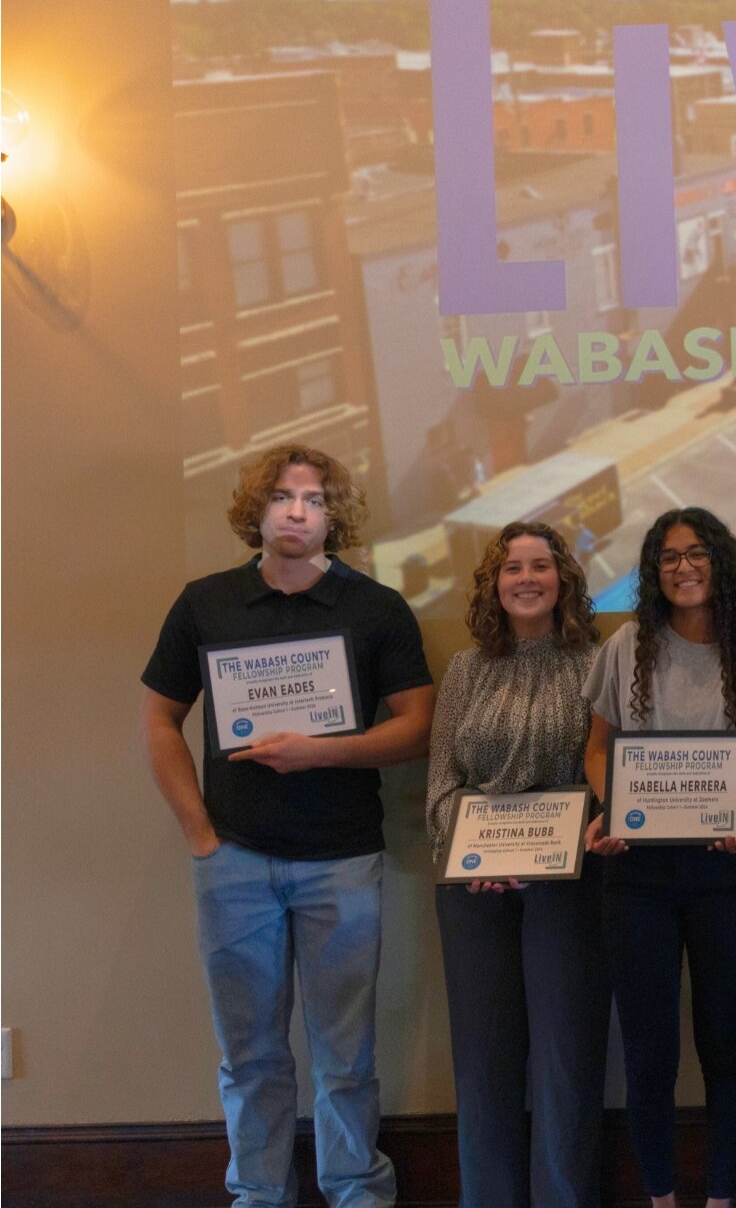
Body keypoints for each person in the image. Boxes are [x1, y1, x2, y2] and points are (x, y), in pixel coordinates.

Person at [139, 444, 434, 1208]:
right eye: (281, 497)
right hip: (232, 860)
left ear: (335, 516)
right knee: (250, 1056)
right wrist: (200, 832)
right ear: (257, 511)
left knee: (345, 1053)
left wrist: (321, 753)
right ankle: (259, 1195)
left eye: (314, 499)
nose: (297, 511)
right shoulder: (205, 602)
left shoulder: (377, 609)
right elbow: (159, 718)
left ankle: (355, 1191)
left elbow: (417, 729)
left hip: (343, 861)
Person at [581, 508, 736, 1208]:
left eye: (696, 553)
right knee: (649, 1053)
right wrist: (613, 804)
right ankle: (661, 1198)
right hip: (635, 876)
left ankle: (721, 1198)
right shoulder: (627, 645)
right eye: (667, 557)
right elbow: (599, 750)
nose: (683, 567)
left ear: (720, 562)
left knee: (725, 1046)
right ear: (651, 571)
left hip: (725, 874)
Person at [425, 521, 607, 1208]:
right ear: (492, 586)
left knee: (568, 1061)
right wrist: (478, 855)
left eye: (539, 565)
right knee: (483, 1063)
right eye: (511, 568)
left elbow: (605, 777)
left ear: (562, 578)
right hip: (473, 887)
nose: (525, 578)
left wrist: (557, 846)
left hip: (569, 886)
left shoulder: (597, 663)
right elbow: (441, 783)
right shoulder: (467, 670)